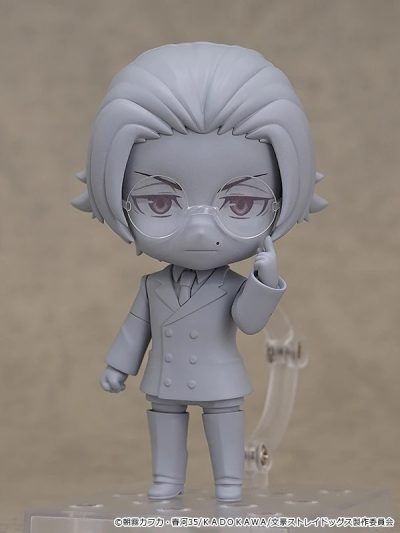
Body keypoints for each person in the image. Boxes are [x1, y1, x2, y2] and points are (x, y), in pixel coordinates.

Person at [72, 42, 326, 502]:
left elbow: (249, 321)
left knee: (224, 421)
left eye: (242, 204)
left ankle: (229, 481)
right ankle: (167, 480)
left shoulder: (232, 285)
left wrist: (265, 280)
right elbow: (136, 329)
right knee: (164, 421)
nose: (200, 228)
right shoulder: (152, 286)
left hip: (219, 376)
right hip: (165, 377)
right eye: (159, 202)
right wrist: (118, 366)